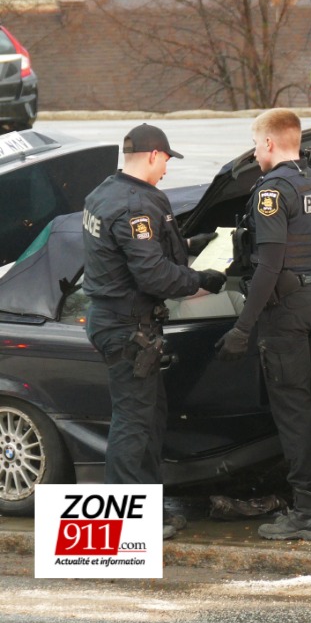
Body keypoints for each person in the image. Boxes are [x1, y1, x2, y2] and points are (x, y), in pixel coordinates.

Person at [82, 123, 227, 540]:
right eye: (166, 159)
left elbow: (134, 254)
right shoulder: (135, 207)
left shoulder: (103, 192)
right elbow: (154, 276)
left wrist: (191, 244)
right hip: (128, 328)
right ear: (151, 156)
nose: (166, 168)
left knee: (149, 417)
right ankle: (124, 525)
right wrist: (201, 278)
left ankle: (147, 511)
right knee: (133, 424)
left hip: (116, 320)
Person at [214, 109, 311, 541]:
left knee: (293, 411)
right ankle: (304, 500)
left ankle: (307, 513)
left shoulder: (272, 191)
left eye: (256, 143)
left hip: (283, 311)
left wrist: (242, 329)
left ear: (268, 143)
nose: (254, 151)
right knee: (301, 403)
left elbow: (267, 268)